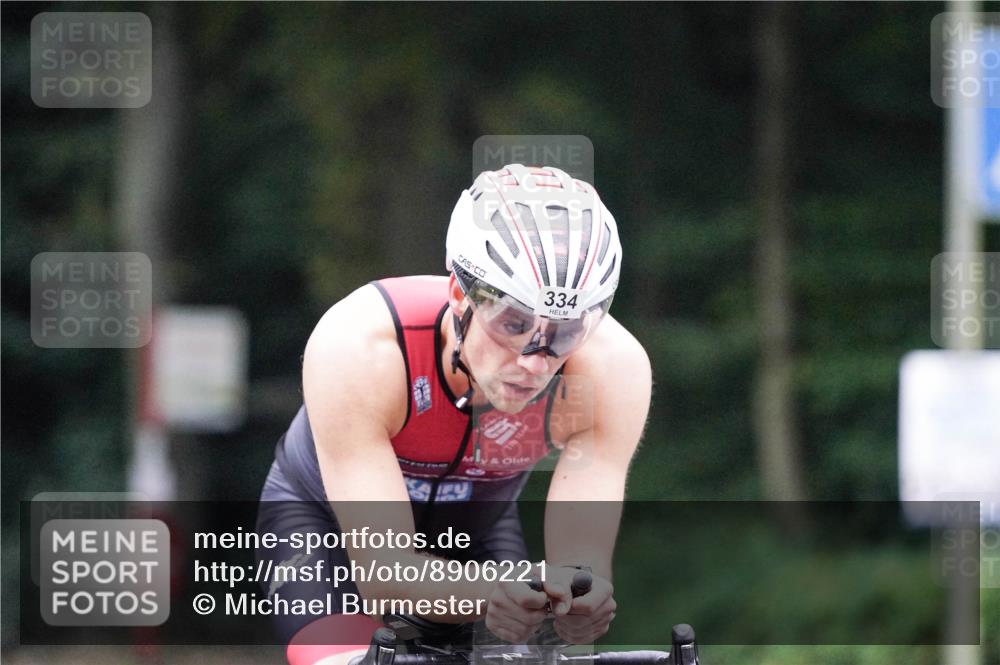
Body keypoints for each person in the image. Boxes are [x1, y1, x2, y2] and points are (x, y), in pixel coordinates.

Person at [257, 164, 652, 663]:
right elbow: (385, 573)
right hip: (323, 525)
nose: (535, 361)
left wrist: (579, 597)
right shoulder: (361, 347)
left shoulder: (613, 368)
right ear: (460, 296)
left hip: (477, 531)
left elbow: (581, 565)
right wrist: (497, 591)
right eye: (514, 323)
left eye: (566, 332)